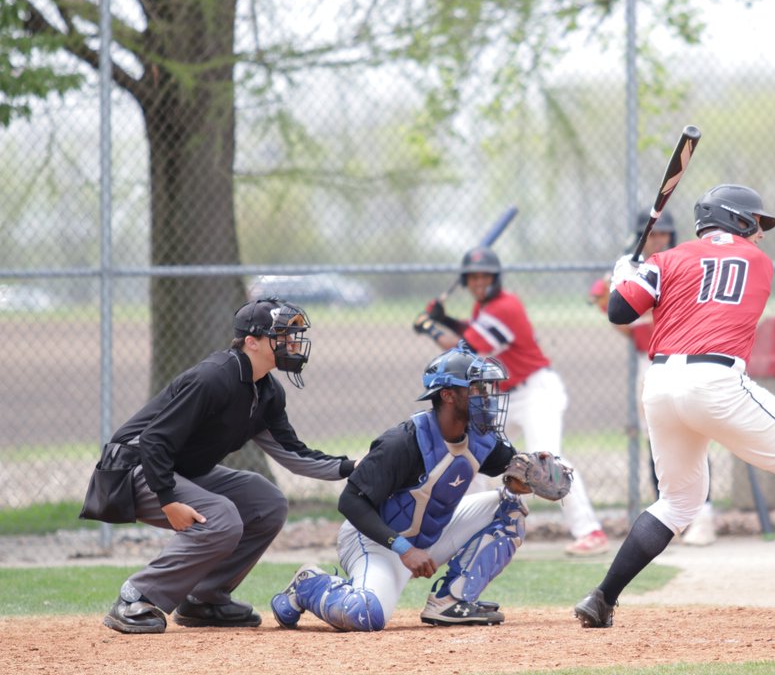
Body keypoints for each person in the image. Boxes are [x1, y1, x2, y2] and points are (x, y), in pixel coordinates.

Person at [574, 184, 775, 632]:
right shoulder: (760, 263)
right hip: (715, 381)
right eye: (756, 223)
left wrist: (626, 274)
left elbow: (619, 312)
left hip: (662, 385)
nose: (761, 234)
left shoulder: (665, 260)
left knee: (677, 501)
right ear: (737, 221)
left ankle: (602, 597)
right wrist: (640, 271)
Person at [95, 298, 356, 634]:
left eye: (294, 335)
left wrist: (353, 467)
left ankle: (205, 598)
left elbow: (295, 454)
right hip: (131, 471)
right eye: (283, 336)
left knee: (267, 503)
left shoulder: (266, 392)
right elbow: (153, 441)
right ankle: (135, 597)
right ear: (252, 341)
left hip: (175, 471)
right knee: (222, 517)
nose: (293, 343)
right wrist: (168, 499)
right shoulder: (214, 378)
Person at [271, 343, 532, 630]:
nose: (486, 396)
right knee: (365, 613)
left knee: (510, 506)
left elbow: (515, 472)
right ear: (447, 395)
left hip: (429, 538)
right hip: (376, 541)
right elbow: (350, 502)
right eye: (476, 389)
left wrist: (535, 474)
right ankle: (310, 584)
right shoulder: (403, 441)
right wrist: (404, 549)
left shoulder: (482, 438)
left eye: (486, 388)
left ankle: (451, 601)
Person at [414, 247, 609, 556]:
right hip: (506, 397)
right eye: (473, 277)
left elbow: (463, 349)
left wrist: (430, 325)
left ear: (496, 278)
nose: (479, 282)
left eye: (485, 276)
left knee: (548, 463)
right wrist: (447, 318)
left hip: (536, 393)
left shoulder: (506, 306)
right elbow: (472, 332)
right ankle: (468, 531)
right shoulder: (484, 310)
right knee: (473, 461)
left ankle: (590, 532)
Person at [588, 209, 717, 547]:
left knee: (695, 435)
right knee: (656, 440)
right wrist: (613, 292)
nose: (660, 239)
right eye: (654, 235)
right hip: (649, 367)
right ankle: (670, 515)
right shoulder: (634, 269)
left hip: (685, 360)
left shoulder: (676, 265)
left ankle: (703, 515)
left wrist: (631, 292)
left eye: (664, 235)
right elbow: (621, 321)